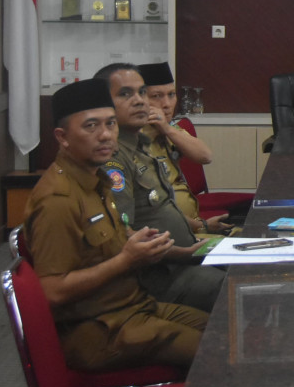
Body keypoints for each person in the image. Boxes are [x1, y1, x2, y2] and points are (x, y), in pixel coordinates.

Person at [24, 79, 208, 372]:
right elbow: (51, 291)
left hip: (133, 307)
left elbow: (119, 238)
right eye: (91, 126)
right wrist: (125, 261)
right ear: (62, 137)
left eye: (110, 124)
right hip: (98, 329)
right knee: (220, 352)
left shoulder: (97, 179)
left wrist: (178, 252)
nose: (105, 135)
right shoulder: (58, 200)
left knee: (226, 328)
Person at [96, 64, 225, 312]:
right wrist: (184, 252)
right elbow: (123, 233)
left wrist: (199, 232)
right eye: (126, 94)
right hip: (162, 277)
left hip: (186, 254)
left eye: (143, 93)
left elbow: (203, 157)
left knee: (260, 265)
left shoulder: (142, 144)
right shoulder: (113, 158)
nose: (140, 101)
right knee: (244, 287)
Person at [137, 62, 234, 234]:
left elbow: (205, 156)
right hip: (168, 231)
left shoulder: (170, 130)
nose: (166, 104)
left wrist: (167, 129)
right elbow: (152, 211)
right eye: (156, 96)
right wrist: (202, 226)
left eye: (171, 95)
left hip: (192, 225)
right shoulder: (133, 139)